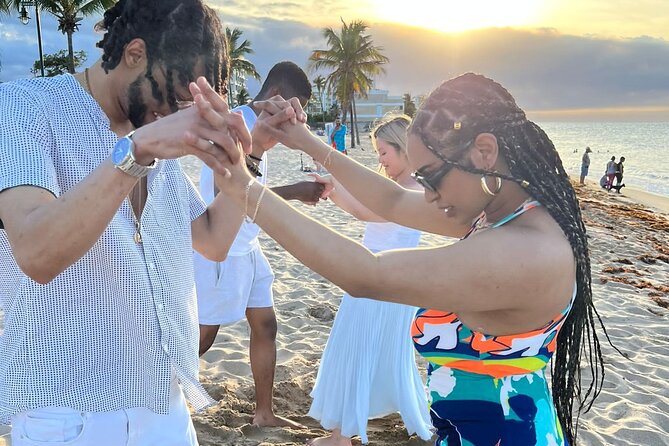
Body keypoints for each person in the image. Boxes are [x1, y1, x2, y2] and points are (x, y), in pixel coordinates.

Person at [191, 72, 612, 446]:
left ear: (485, 151)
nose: (427, 193)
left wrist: (244, 183)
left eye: (431, 176)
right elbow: (393, 199)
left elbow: (365, 274)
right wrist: (301, 139)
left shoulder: (526, 249)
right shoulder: (499, 214)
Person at [0, 1, 290, 444]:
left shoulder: (152, 123)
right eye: (174, 97)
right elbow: (35, 253)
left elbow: (212, 240)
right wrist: (136, 152)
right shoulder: (25, 107)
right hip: (67, 411)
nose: (178, 112)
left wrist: (252, 155)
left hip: (165, 400)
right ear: (134, 54)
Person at [193, 61, 320, 428]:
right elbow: (225, 194)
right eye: (294, 107)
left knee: (266, 327)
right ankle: (154, 399)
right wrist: (295, 193)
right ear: (277, 96)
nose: (295, 117)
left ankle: (264, 413)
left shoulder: (261, 127)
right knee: (202, 339)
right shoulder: (235, 125)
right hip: (222, 247)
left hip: (248, 244)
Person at [306, 115, 433, 445]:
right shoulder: (410, 186)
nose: (380, 160)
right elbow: (364, 207)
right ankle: (396, 423)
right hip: (388, 284)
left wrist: (333, 187)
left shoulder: (412, 189)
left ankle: (341, 437)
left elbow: (365, 212)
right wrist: (333, 189)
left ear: (403, 149)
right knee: (378, 354)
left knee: (356, 351)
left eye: (384, 152)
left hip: (377, 283)